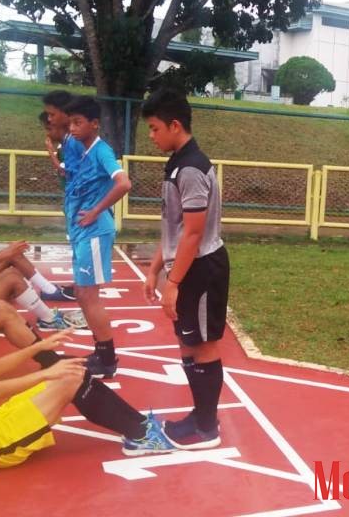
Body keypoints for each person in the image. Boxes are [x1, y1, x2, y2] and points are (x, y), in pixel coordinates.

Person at [0, 307, 174, 475]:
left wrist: (37, 348)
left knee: (67, 371)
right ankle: (140, 436)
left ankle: (139, 428)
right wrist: (47, 372)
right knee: (68, 377)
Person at [141, 89, 229, 450]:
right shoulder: (177, 161)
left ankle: (206, 428)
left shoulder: (191, 167)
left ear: (175, 125)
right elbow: (175, 227)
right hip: (186, 265)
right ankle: (201, 415)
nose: (152, 136)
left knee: (204, 347)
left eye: (154, 128)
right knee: (188, 344)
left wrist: (172, 283)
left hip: (202, 268)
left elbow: (193, 232)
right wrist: (154, 268)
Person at [60, 95, 132, 378]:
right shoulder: (84, 150)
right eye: (71, 123)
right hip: (82, 232)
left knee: (90, 295)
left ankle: (108, 357)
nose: (73, 129)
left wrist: (96, 210)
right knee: (82, 292)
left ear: (94, 124)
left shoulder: (102, 151)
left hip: (95, 231)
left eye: (78, 123)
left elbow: (124, 183)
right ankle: (101, 351)